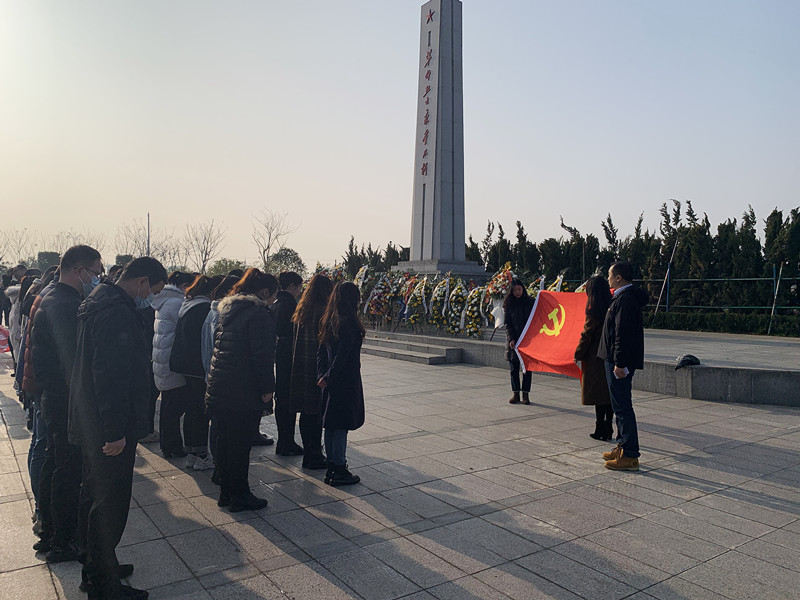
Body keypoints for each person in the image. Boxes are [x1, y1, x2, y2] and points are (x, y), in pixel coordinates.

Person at [70, 256, 167, 600]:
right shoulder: (116, 313)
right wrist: (114, 433)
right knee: (109, 504)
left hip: (91, 419)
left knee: (92, 495)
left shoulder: (99, 301)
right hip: (108, 427)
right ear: (141, 282)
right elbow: (109, 377)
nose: (151, 299)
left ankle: (97, 566)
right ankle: (103, 585)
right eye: (153, 290)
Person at [31, 245, 102, 564]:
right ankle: (63, 539)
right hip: (65, 400)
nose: (97, 279)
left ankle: (50, 532)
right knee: (68, 470)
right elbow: (73, 361)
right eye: (95, 273)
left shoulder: (52, 297)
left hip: (55, 396)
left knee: (55, 463)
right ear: (79, 270)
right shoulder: (65, 305)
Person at [205, 269, 278, 512]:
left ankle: (226, 492)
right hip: (243, 389)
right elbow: (262, 355)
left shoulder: (228, 310)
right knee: (239, 445)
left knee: (225, 442)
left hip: (222, 384)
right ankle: (239, 495)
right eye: (273, 295)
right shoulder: (258, 314)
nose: (273, 301)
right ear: (265, 292)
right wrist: (267, 388)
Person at [597, 261, 649, 471]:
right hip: (614, 359)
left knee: (622, 407)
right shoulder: (622, 297)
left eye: (610, 275)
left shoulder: (625, 300)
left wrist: (619, 362)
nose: (608, 279)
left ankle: (629, 455)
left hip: (617, 361)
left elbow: (622, 334)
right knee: (619, 406)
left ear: (618, 277)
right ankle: (622, 446)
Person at [170, 275, 220, 470]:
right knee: (200, 411)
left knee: (192, 409)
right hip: (197, 365)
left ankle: (192, 453)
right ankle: (200, 454)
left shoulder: (189, 304)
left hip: (185, 364)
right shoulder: (204, 309)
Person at [317, 281, 365, 486]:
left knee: (331, 424)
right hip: (344, 380)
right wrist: (329, 376)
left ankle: (332, 466)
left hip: (330, 380)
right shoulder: (349, 323)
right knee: (340, 425)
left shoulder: (329, 320)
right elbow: (343, 357)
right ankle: (338, 467)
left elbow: (321, 352)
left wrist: (322, 375)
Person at [290, 274, 333, 470]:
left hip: (301, 366)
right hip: (316, 367)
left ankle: (309, 452)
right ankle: (314, 454)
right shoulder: (324, 311)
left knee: (306, 413)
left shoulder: (301, 310)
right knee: (316, 413)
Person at [151, 271, 194, 458]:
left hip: (162, 358)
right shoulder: (177, 303)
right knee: (174, 408)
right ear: (184, 286)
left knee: (169, 406)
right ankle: (172, 446)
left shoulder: (164, 300)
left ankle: (168, 444)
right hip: (172, 361)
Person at [574, 275, 614, 441]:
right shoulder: (612, 305)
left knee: (598, 395)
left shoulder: (594, 310)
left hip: (594, 357)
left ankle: (599, 428)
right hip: (609, 354)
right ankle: (608, 427)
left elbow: (587, 334)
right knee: (608, 395)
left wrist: (578, 353)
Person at [272, 271, 304, 456]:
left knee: (281, 400)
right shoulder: (291, 305)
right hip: (289, 356)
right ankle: (287, 442)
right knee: (288, 401)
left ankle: (283, 441)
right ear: (292, 286)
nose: (299, 291)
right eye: (299, 287)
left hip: (279, 355)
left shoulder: (276, 303)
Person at [503, 278, 535, 404]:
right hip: (514, 342)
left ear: (523, 289)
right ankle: (515, 394)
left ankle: (525, 395)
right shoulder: (508, 304)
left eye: (519, 289)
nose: (517, 292)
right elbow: (507, 323)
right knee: (514, 369)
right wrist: (511, 338)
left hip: (528, 340)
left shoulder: (530, 302)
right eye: (515, 290)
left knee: (527, 369)